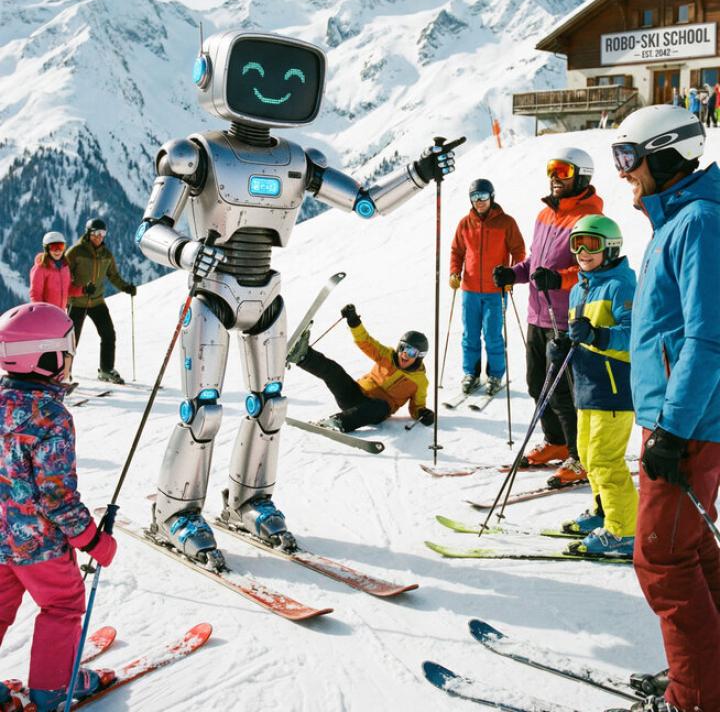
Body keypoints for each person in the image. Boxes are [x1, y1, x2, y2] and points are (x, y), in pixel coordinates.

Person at [135, 28, 459, 563]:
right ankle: (176, 511)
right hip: (212, 290)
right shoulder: (194, 155)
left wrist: (418, 175)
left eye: (291, 79)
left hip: (266, 292)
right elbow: (150, 229)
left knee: (272, 405)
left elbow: (365, 204)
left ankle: (250, 499)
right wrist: (187, 253)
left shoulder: (296, 159)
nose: (273, 88)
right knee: (204, 409)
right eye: (255, 75)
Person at [608, 104, 720, 712]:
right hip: (685, 417)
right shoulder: (677, 219)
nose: (623, 172)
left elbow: (707, 337)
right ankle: (711, 673)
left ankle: (698, 697)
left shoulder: (699, 220)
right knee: (693, 546)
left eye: (629, 158)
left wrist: (672, 430)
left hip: (691, 422)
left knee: (661, 560)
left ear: (667, 154)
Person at [0, 302, 117, 712]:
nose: (69, 357)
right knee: (63, 604)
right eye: (66, 348)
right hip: (38, 546)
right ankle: (51, 689)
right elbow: (57, 496)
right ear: (45, 356)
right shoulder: (50, 417)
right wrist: (93, 540)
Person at [492, 146, 603, 485]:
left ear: (581, 176)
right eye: (552, 169)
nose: (555, 177)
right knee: (537, 385)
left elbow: (592, 267)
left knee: (565, 392)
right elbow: (536, 264)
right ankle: (555, 443)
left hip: (566, 318)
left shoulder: (587, 218)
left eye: (563, 171)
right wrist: (515, 273)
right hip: (537, 315)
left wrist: (560, 279)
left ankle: (578, 456)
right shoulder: (545, 215)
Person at [548, 214, 638, 558]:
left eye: (592, 244)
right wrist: (564, 346)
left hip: (614, 388)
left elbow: (634, 336)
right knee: (587, 455)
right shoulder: (579, 288)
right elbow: (581, 336)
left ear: (611, 248)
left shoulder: (622, 285)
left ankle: (624, 531)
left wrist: (597, 335)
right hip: (587, 385)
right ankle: (604, 511)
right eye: (577, 243)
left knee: (605, 459)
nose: (583, 251)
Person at [287, 304, 434, 432]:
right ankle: (302, 355)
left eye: (411, 352)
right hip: (354, 395)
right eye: (403, 348)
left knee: (381, 406)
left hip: (375, 411)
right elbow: (366, 342)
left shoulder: (420, 381)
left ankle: (338, 422)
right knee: (334, 371)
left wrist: (423, 413)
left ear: (419, 356)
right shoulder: (388, 355)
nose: (404, 354)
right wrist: (354, 321)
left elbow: (417, 407)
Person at [449, 178, 525, 395]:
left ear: (491, 197)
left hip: (495, 291)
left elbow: (519, 251)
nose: (479, 201)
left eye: (482, 196)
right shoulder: (465, 223)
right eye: (474, 197)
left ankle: (495, 375)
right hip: (470, 290)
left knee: (492, 335)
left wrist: (512, 274)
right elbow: (457, 251)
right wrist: (454, 272)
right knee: (470, 335)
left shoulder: (506, 223)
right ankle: (471, 374)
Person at [66, 218, 136, 385]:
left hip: (97, 302)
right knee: (71, 340)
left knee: (108, 334)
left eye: (102, 233)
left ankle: (106, 370)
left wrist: (126, 287)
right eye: (96, 233)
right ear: (89, 233)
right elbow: (64, 277)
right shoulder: (76, 252)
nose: (99, 237)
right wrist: (78, 289)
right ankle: (64, 374)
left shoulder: (106, 254)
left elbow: (113, 275)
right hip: (77, 302)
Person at [29, 232, 80, 310]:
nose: (57, 251)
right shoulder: (40, 268)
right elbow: (35, 294)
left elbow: (68, 289)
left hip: (60, 312)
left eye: (61, 247)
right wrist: (41, 311)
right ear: (47, 249)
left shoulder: (64, 267)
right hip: (47, 314)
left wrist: (83, 290)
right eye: (53, 247)